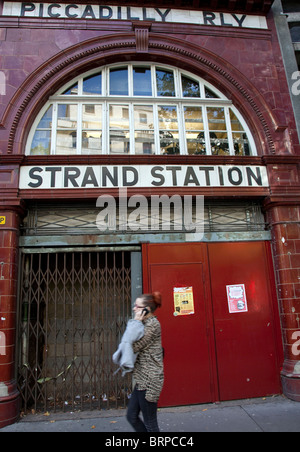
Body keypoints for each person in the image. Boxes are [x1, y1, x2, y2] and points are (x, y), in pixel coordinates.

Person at [126, 292, 164, 432]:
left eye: (137, 306)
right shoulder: (144, 323)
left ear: (146, 309)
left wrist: (135, 321)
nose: (134, 308)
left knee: (151, 424)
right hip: (142, 379)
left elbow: (133, 346)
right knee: (131, 416)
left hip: (150, 380)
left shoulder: (152, 325)